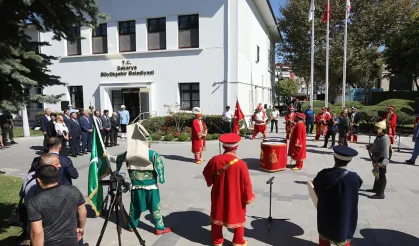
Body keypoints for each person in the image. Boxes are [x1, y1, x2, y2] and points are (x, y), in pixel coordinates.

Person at [105, 138, 171, 235]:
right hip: (151, 187)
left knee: (135, 207)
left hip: (136, 187)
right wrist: (161, 178)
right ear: (148, 144)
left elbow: (117, 159)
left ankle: (131, 226)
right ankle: (159, 228)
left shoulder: (129, 154)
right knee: (155, 207)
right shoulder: (153, 154)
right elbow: (160, 166)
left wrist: (107, 156)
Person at [203, 133, 255, 246]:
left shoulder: (215, 160)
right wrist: (248, 197)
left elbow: (206, 173)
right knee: (238, 215)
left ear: (223, 146)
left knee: (217, 214)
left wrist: (211, 181)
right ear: (236, 147)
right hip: (236, 196)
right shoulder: (241, 164)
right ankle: (238, 241)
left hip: (218, 194)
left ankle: (217, 241)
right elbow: (247, 184)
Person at [313, 146, 362, 246]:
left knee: (324, 236)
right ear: (349, 161)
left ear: (334, 158)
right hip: (345, 214)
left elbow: (316, 188)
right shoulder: (354, 178)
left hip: (326, 213)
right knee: (344, 236)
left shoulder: (324, 174)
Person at [27, 165, 87, 246]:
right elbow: (83, 212)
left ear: (38, 180)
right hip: (71, 240)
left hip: (49, 242)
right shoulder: (73, 190)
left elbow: (37, 232)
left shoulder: (35, 202)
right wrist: (80, 227)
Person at [19, 153, 63, 245]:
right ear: (48, 166)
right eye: (57, 164)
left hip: (30, 220)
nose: (60, 165)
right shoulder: (43, 184)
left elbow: (21, 194)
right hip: (41, 225)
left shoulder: (29, 176)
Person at [366, 120, 391, 199]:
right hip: (376, 158)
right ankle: (376, 189)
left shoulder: (384, 138)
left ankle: (380, 193)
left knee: (381, 175)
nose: (375, 129)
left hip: (381, 159)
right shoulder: (379, 136)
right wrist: (371, 146)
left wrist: (379, 162)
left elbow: (385, 152)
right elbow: (377, 144)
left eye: (376, 127)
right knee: (377, 173)